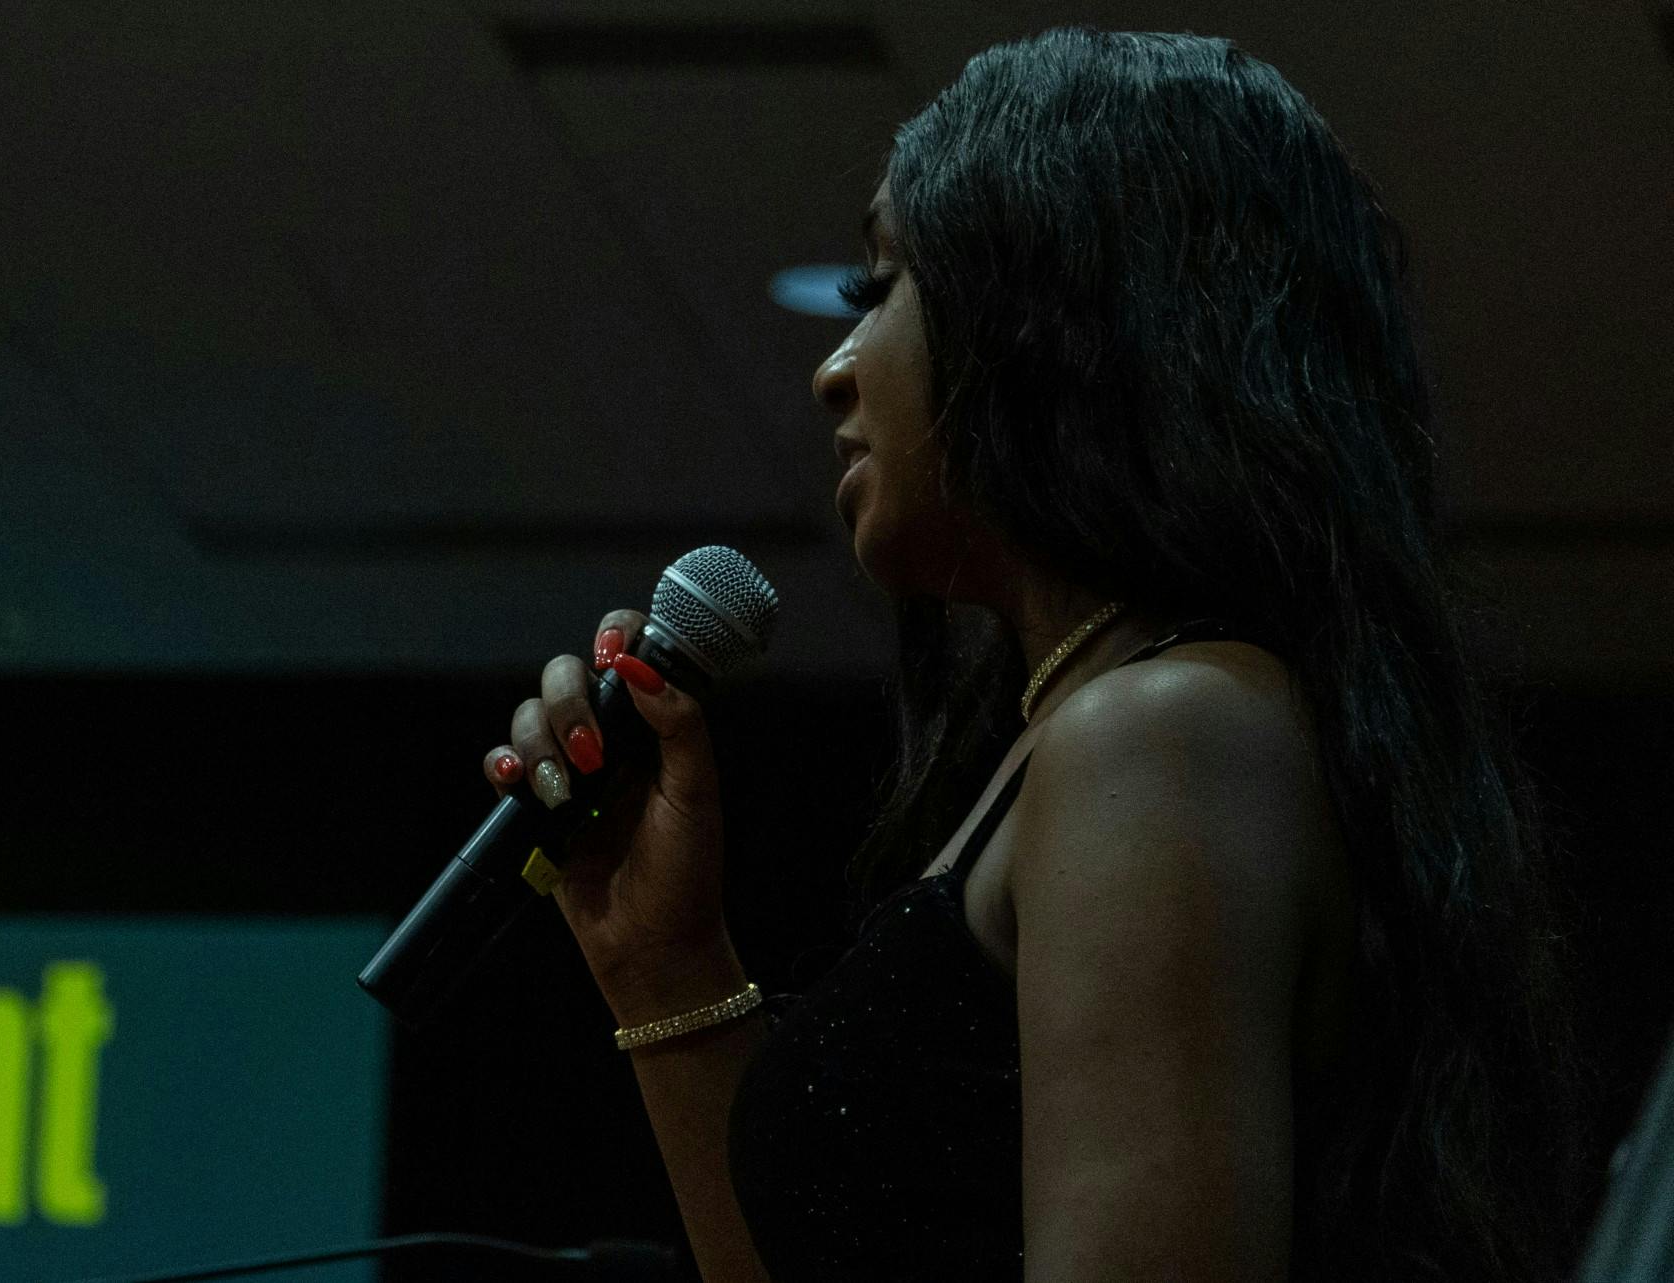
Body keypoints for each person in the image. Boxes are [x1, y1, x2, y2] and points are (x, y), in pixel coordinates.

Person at [479, 25, 1595, 1283]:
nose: (832, 368)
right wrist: (658, 958)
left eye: (881, 287)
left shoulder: (1159, 730)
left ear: (1062, 309)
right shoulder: (1119, 731)